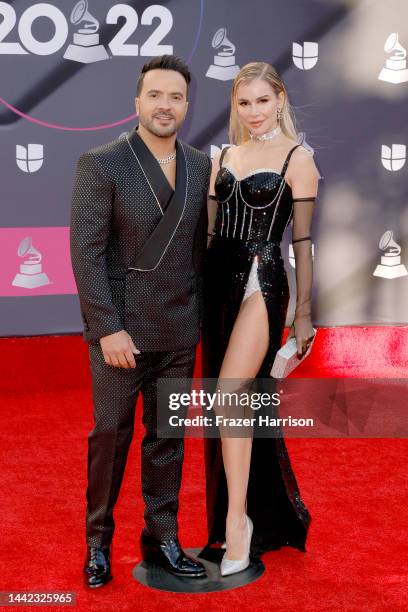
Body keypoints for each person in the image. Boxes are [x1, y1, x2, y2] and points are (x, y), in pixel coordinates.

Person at [70, 55, 211, 587]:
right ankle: (97, 543)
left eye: (175, 97)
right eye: (155, 95)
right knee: (111, 434)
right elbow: (85, 252)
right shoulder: (101, 161)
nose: (165, 106)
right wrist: (107, 327)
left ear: (186, 105)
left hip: (178, 328)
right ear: (137, 102)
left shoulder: (200, 166)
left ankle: (162, 538)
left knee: (168, 438)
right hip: (120, 335)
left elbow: (200, 249)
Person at [202, 61, 318, 576]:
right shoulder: (223, 155)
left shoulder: (298, 159)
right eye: (244, 102)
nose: (253, 112)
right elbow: (206, 236)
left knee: (230, 393)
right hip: (216, 283)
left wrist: (304, 314)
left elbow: (303, 244)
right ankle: (240, 516)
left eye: (262, 101)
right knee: (229, 404)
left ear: (280, 99)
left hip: (262, 280)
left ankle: (236, 524)